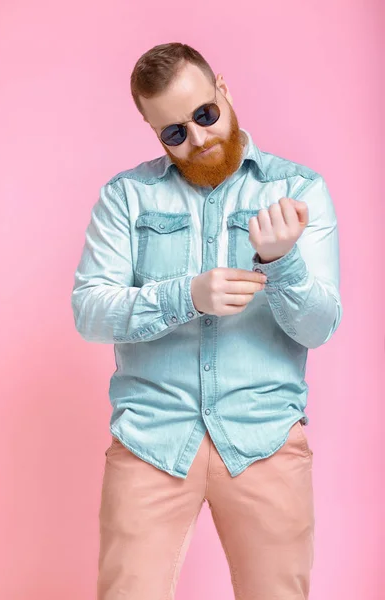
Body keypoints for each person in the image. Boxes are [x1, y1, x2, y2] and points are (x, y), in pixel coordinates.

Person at [71, 42, 342, 600]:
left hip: (264, 438)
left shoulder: (296, 191)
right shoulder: (127, 198)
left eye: (204, 115)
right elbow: (89, 310)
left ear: (223, 89)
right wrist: (185, 296)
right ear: (153, 132)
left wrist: (281, 261)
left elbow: (320, 327)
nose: (197, 138)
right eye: (173, 132)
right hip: (150, 440)